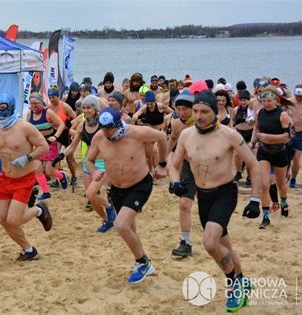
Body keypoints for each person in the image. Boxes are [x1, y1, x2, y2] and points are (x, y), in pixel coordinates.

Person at [169, 90, 261, 312]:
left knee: (210, 243)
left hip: (224, 193)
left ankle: (234, 285)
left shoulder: (229, 135)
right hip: (204, 196)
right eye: (196, 111)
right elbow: (174, 163)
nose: (199, 116)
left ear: (216, 112)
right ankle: (243, 279)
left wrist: (256, 199)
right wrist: (175, 181)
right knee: (224, 245)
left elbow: (254, 165)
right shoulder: (186, 135)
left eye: (204, 112)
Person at [86, 107, 168, 284]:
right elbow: (89, 160)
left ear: (118, 124)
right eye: (103, 128)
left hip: (140, 184)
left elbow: (162, 137)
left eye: (109, 128)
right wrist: (94, 172)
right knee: (130, 228)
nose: (106, 132)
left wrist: (162, 164)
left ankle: (143, 262)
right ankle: (142, 262)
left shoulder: (137, 133)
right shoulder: (99, 137)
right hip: (117, 188)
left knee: (120, 224)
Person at [0, 93, 52, 261]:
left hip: (24, 178)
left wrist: (27, 158)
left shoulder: (25, 127)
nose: (1, 112)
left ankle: (39, 210)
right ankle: (28, 249)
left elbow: (44, 146)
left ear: (11, 108)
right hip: (5, 178)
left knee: (14, 219)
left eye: (4, 108)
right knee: (4, 220)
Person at [59, 95, 117, 232]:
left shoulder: (103, 124)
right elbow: (73, 146)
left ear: (95, 109)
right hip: (88, 163)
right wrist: (61, 155)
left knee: (91, 194)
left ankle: (109, 207)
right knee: (91, 197)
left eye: (89, 107)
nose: (86, 110)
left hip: (103, 163)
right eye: (84, 108)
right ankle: (107, 220)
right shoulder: (82, 125)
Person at [250, 86, 293, 229]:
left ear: (276, 101)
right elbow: (256, 128)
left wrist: (269, 137)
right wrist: (252, 141)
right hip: (264, 152)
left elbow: (288, 136)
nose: (267, 103)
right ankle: (266, 216)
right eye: (264, 101)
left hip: (280, 152)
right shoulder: (259, 112)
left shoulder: (283, 115)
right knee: (264, 184)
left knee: (281, 184)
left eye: (269, 101)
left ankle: (284, 203)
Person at [166, 94, 196, 257]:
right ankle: (185, 242)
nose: (182, 112)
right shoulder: (177, 124)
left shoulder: (202, 123)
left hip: (207, 169)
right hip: (187, 168)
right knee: (184, 204)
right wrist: (163, 162)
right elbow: (171, 142)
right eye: (179, 109)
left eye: (185, 109)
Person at [28, 93, 68, 201]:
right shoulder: (29, 114)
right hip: (37, 146)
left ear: (41, 102)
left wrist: (55, 136)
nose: (34, 106)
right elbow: (26, 129)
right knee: (38, 170)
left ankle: (62, 176)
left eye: (36, 103)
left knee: (49, 171)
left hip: (49, 145)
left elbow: (61, 124)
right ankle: (46, 192)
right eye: (32, 103)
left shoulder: (48, 112)